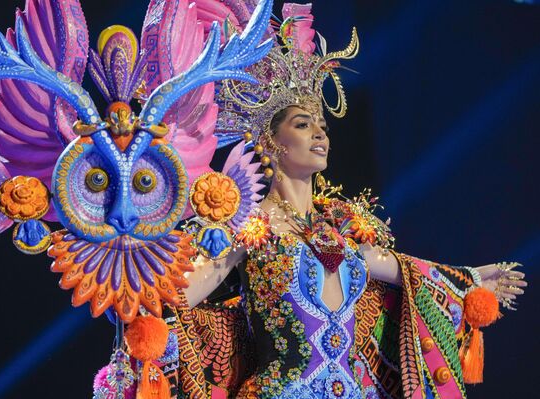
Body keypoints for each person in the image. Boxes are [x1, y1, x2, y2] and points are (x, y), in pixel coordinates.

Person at [172, 3, 527, 399]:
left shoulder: (342, 226)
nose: (320, 134)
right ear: (270, 142)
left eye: (323, 126)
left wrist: (471, 278)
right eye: (304, 125)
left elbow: (406, 271)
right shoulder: (248, 225)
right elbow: (181, 298)